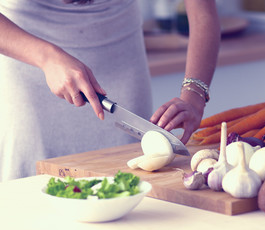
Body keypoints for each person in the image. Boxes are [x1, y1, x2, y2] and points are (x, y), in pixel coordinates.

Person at [0, 0, 220, 181]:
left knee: (129, 188)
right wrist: (46, 57)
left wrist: (195, 93)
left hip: (121, 59)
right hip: (28, 59)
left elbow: (202, 13)